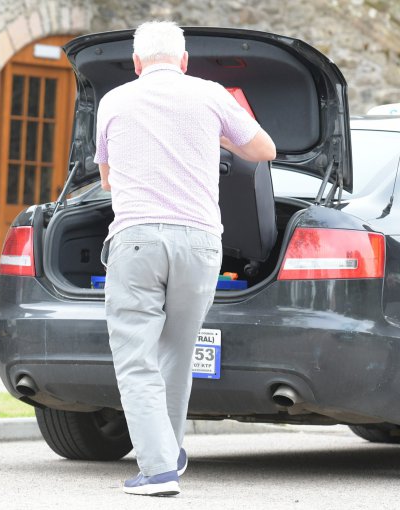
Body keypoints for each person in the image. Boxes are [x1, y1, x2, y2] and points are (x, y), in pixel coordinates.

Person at [94, 21, 276, 496]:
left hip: (137, 240)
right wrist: (217, 138)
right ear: (184, 61)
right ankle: (168, 453)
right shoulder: (212, 95)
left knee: (136, 358)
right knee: (177, 352)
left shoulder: (113, 101)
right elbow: (265, 149)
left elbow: (109, 180)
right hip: (200, 243)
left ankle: (155, 471)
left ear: (136, 64)